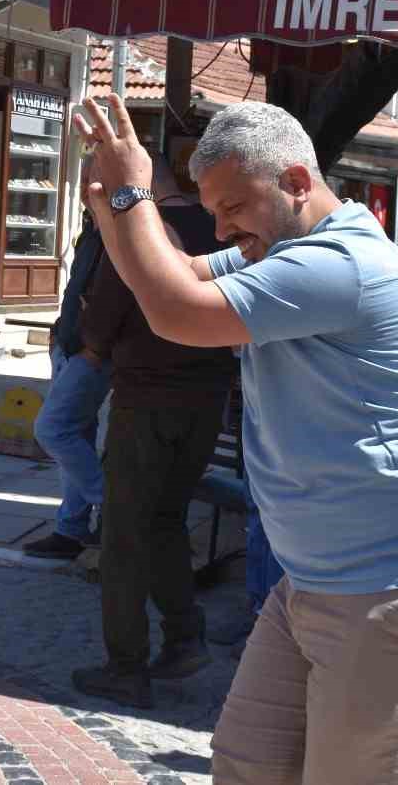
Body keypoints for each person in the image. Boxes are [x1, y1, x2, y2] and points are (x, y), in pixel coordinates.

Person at [77, 96, 398, 784]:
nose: (221, 231)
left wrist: (134, 190)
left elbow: (174, 310)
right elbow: (174, 275)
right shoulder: (284, 253)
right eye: (213, 212)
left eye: (233, 208)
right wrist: (109, 201)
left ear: (297, 183)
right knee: (246, 768)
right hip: (317, 584)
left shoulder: (339, 264)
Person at [70, 152, 236, 709]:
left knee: (123, 535)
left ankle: (126, 666)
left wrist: (93, 345)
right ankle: (185, 636)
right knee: (166, 519)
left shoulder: (138, 225)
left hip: (147, 395)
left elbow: (107, 314)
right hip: (208, 395)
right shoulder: (219, 231)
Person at [24, 159, 112, 561]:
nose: (87, 187)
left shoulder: (120, 229)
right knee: (76, 436)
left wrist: (97, 345)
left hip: (92, 353)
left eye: (97, 179)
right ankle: (71, 528)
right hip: (68, 343)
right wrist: (60, 332)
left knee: (52, 429)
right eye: (85, 179)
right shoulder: (90, 230)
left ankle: (114, 509)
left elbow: (124, 297)